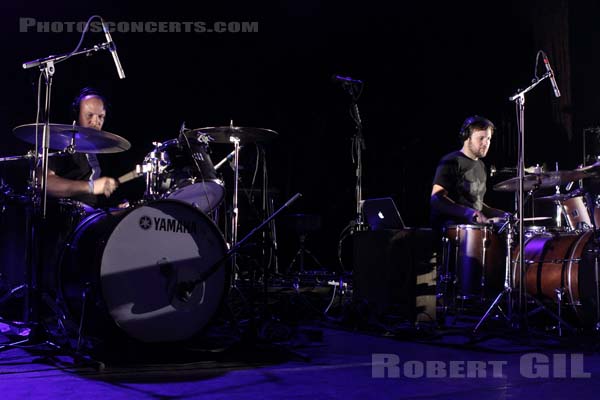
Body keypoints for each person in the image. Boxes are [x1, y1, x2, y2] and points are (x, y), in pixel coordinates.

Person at [430, 115, 507, 230]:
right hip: (452, 230)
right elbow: (436, 199)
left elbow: (477, 205)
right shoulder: (452, 161)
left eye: (489, 139)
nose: (486, 143)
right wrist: (469, 213)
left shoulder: (481, 166)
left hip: (474, 229)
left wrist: (502, 214)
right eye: (481, 138)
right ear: (467, 137)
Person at [46, 87, 119, 207]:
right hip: (67, 218)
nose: (95, 122)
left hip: (94, 216)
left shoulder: (104, 147)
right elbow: (43, 182)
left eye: (100, 116)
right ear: (76, 115)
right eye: (89, 115)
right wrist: (90, 187)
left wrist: (115, 206)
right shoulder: (59, 143)